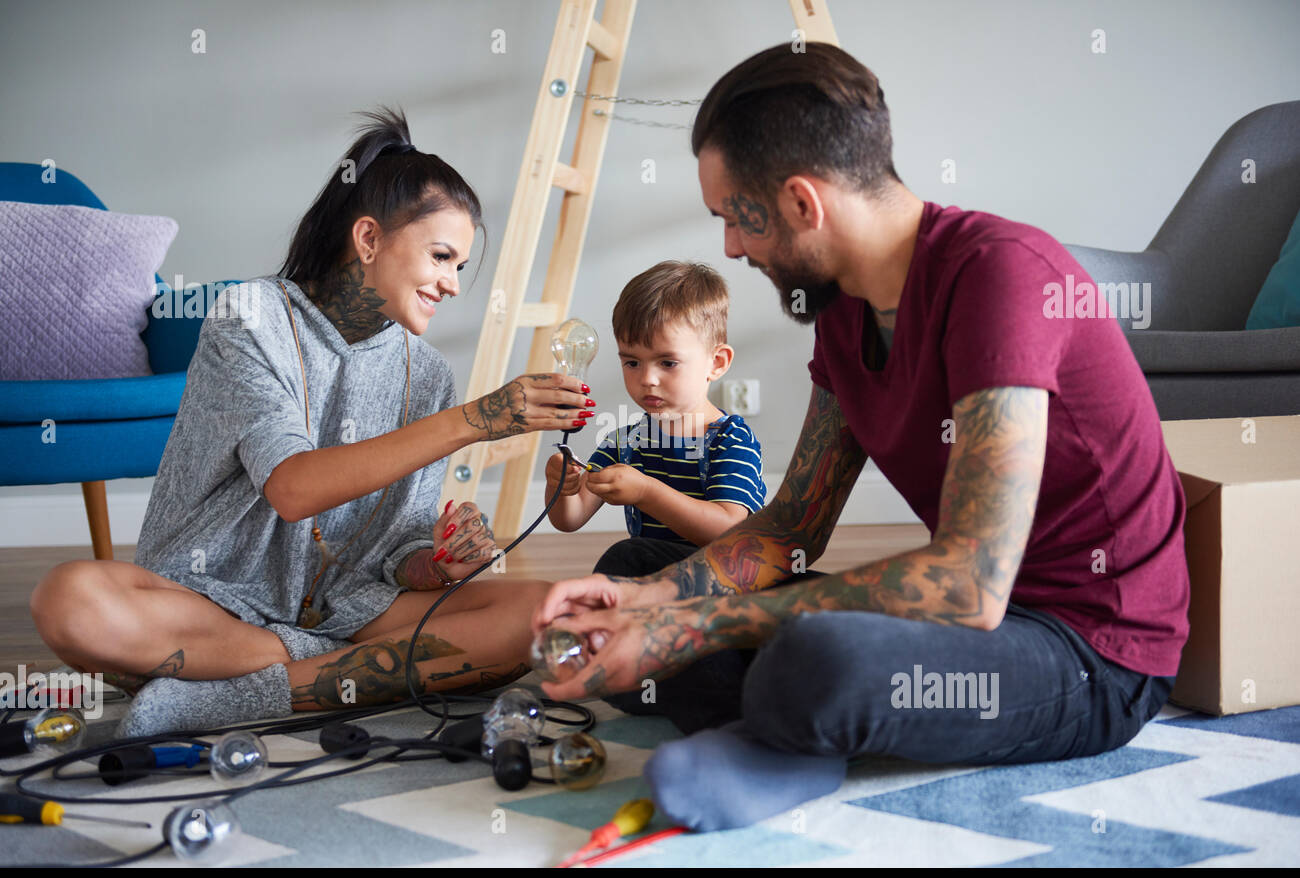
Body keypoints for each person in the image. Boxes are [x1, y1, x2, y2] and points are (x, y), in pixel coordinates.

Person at [530, 44, 1191, 832]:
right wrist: (654, 598)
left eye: (736, 219)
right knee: (635, 563)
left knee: (817, 657)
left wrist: (688, 627)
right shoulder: (842, 312)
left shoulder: (1002, 277)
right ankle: (796, 730)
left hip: (1089, 651)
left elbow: (969, 585)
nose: (733, 250)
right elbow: (791, 528)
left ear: (803, 203)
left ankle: (794, 725)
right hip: (964, 630)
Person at [28, 107, 597, 736]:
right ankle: (331, 675)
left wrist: (436, 566)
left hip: (345, 613)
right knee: (69, 602)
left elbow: (398, 550)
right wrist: (474, 421)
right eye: (441, 257)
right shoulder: (249, 317)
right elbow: (293, 489)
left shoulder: (429, 375)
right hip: (210, 604)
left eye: (460, 267)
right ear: (369, 239)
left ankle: (235, 692)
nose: (453, 285)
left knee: (539, 612)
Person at [544, 260, 766, 572]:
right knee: (628, 562)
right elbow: (570, 519)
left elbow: (729, 530)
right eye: (632, 362)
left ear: (716, 362)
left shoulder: (730, 439)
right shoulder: (625, 442)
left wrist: (647, 492)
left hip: (727, 576)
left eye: (667, 362)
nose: (647, 378)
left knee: (626, 557)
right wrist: (560, 486)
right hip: (659, 575)